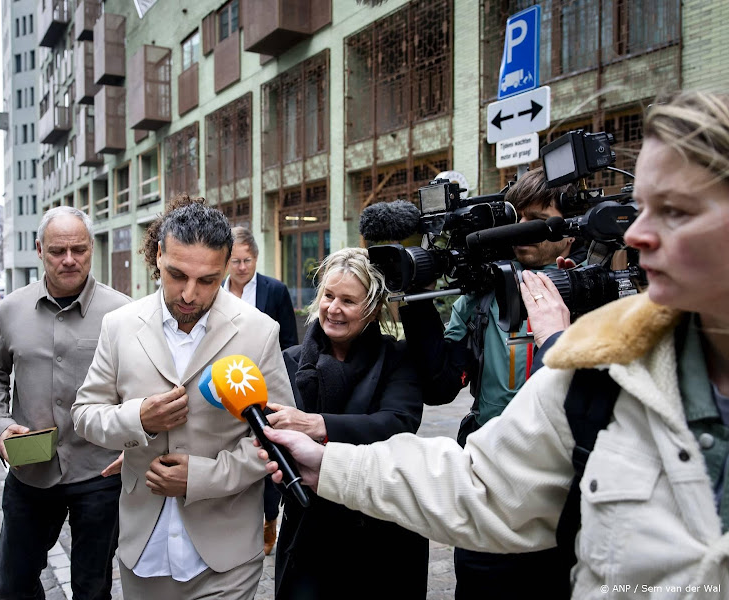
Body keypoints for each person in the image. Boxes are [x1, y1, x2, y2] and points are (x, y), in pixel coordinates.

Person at [258, 89, 729, 598]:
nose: (636, 234)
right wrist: (326, 462)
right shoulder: (521, 323)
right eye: (640, 208)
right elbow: (475, 471)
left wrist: (558, 343)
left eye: (675, 211)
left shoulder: (599, 336)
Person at [71, 196, 297, 600]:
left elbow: (278, 435)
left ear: (226, 269)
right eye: (177, 275)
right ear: (159, 254)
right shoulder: (119, 325)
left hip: (227, 556)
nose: (189, 294)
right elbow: (85, 414)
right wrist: (138, 419)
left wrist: (202, 477)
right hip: (144, 552)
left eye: (207, 280)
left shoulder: (260, 331)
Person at [399, 167, 581, 599]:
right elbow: (441, 385)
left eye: (538, 220)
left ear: (570, 233)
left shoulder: (592, 288)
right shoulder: (481, 295)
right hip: (490, 478)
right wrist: (417, 296)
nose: (522, 229)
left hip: (565, 484)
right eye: (517, 217)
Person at [0, 206, 130, 600]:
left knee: (92, 590)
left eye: (79, 249)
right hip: (30, 471)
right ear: (40, 250)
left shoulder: (123, 313)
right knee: (12, 585)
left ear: (91, 248)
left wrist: (136, 445)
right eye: (58, 251)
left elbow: (139, 388)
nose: (69, 260)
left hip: (100, 474)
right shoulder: (9, 311)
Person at [264, 247, 429, 600]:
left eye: (348, 301)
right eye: (328, 296)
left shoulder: (396, 357)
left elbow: (397, 422)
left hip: (380, 531)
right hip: (309, 530)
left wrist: (317, 424)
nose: (333, 308)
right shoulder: (290, 361)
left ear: (372, 309)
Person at [225, 226, 298, 555]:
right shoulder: (217, 290)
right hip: (225, 388)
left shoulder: (275, 290)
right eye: (236, 261)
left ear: (256, 258)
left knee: (266, 452)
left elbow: (289, 343)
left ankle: (270, 518)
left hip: (263, 388)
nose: (242, 267)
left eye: (248, 260)